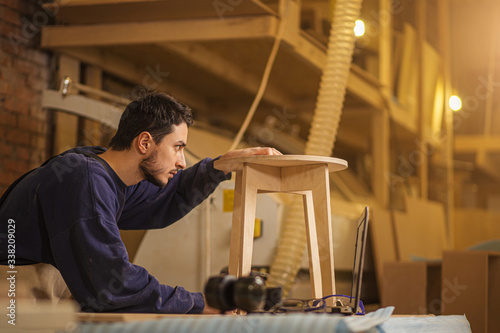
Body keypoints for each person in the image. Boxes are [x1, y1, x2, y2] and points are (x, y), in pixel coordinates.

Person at [0, 92, 281, 314]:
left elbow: (166, 198)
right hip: (13, 290)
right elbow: (114, 284)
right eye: (178, 147)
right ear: (145, 142)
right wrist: (197, 303)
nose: (182, 162)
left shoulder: (105, 175)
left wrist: (219, 167)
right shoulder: (85, 178)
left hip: (42, 288)